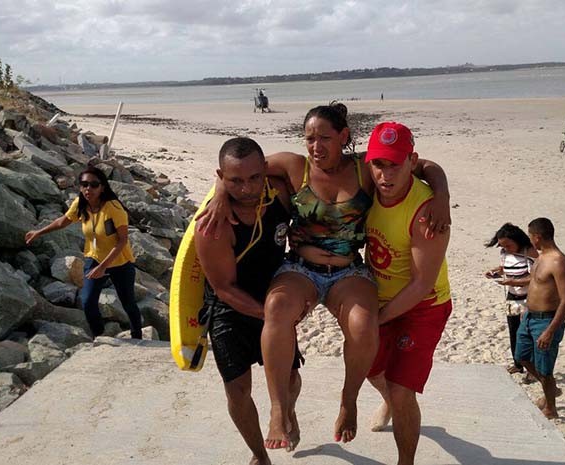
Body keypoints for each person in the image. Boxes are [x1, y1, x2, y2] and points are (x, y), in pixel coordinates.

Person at [198, 102, 451, 450]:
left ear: (344, 137)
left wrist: (442, 194)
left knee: (364, 325)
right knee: (277, 309)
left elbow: (424, 166)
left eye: (325, 138)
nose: (316, 147)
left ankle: (348, 401)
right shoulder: (293, 166)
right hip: (300, 269)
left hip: (348, 270)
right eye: (309, 138)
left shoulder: (367, 168)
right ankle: (278, 410)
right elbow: (241, 170)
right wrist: (220, 193)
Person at [194, 137, 304, 465]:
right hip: (230, 309)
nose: (247, 188)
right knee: (238, 392)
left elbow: (298, 162)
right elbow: (224, 287)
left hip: (274, 297)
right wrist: (273, 319)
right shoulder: (212, 227)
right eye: (235, 181)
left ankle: (286, 410)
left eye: (254, 177)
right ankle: (260, 456)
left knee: (290, 380)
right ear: (221, 175)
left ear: (265, 171)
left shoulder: (280, 194)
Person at [363, 122, 452, 465]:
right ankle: (391, 401)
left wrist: (440, 194)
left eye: (395, 165)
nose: (385, 175)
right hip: (381, 297)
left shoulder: (428, 212)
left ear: (411, 161)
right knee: (371, 371)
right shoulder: (367, 184)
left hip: (424, 305)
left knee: (402, 390)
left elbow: (421, 284)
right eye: (378, 165)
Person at [25, 166, 142, 339]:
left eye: (94, 184)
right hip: (93, 258)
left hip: (119, 261)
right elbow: (63, 221)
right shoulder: (80, 203)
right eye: (84, 184)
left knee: (128, 303)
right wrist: (38, 232)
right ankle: (100, 337)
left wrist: (103, 267)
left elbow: (122, 240)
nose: (88, 189)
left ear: (102, 187)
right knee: (87, 301)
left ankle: (137, 337)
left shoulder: (113, 208)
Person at [515, 218, 565, 419]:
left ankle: (551, 408)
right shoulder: (540, 257)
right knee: (521, 356)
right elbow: (536, 281)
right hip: (529, 317)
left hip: (546, 321)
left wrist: (550, 331)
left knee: (545, 370)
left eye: (531, 236)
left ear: (537, 237)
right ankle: (551, 389)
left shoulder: (558, 261)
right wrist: (512, 281)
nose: (531, 241)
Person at [485, 223, 538, 374]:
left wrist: (513, 281)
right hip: (512, 296)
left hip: (529, 297)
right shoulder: (504, 253)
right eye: (503, 246)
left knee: (528, 332)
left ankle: (532, 368)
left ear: (518, 241)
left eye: (509, 245)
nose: (506, 248)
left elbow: (535, 277)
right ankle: (518, 364)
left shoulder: (530, 253)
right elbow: (505, 269)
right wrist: (495, 272)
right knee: (513, 330)